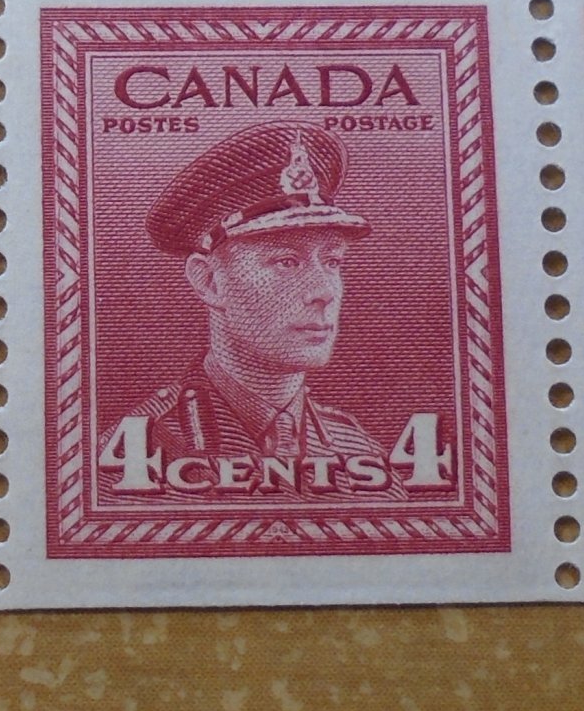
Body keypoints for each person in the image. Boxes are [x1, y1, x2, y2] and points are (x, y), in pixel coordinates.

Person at [100, 123, 387, 481]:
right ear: (209, 281)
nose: (324, 292)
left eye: (332, 261)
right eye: (287, 262)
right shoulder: (133, 455)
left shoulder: (359, 447)